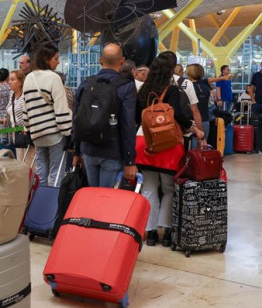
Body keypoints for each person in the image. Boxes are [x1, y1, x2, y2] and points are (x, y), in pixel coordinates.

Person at [136, 53, 204, 247]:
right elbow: (181, 116)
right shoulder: (172, 90)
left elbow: (135, 117)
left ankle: (149, 233)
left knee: (148, 187)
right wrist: (195, 130)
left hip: (144, 141)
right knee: (168, 189)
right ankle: (166, 232)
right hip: (168, 144)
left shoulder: (143, 90)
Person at [73, 43, 137, 187]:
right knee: (107, 200)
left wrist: (77, 151)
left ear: (100, 60)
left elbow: (77, 119)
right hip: (112, 151)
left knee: (93, 196)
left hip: (88, 150)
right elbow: (128, 125)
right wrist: (130, 161)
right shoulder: (126, 87)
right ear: (122, 61)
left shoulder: (85, 84)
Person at [22, 44, 72, 187]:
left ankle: (39, 203)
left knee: (41, 172)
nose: (58, 62)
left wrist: (28, 127)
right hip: (54, 133)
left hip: (37, 134)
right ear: (46, 59)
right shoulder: (54, 78)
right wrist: (68, 132)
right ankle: (53, 206)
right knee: (57, 174)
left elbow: (26, 106)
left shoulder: (29, 78)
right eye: (56, 58)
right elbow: (61, 108)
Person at [4, 70, 34, 163]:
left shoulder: (26, 95)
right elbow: (10, 110)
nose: (9, 82)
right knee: (20, 161)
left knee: (30, 161)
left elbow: (31, 114)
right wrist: (6, 118)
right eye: (9, 79)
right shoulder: (11, 95)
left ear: (20, 82)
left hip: (26, 133)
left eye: (13, 79)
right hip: (16, 133)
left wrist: (26, 127)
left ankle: (32, 178)